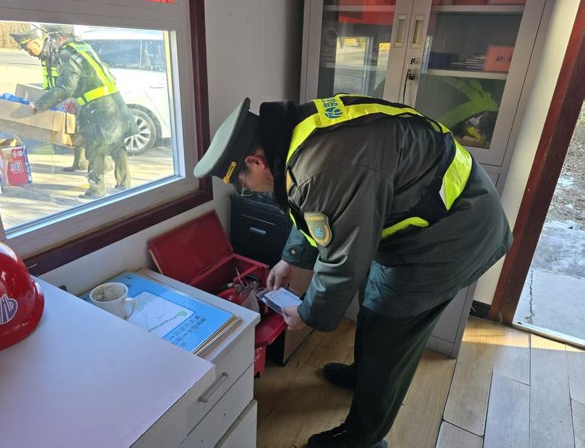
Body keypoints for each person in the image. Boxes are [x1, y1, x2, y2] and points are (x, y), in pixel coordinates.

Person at [194, 94, 513, 448]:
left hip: (453, 234)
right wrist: (291, 258)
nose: (248, 190)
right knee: (372, 301)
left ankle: (364, 437)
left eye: (243, 183)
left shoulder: (321, 167)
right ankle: (363, 374)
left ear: (255, 161)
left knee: (389, 331)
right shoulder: (297, 135)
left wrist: (308, 313)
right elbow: (317, 212)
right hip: (427, 217)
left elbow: (342, 260)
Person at [26, 31, 137, 198]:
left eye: (53, 40)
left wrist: (39, 104)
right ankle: (124, 185)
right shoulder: (84, 48)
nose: (53, 44)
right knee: (117, 145)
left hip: (99, 108)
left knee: (95, 148)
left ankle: (96, 190)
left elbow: (66, 87)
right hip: (115, 103)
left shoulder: (68, 54)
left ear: (60, 38)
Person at [10, 28, 88, 172]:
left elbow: (70, 80)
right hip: (62, 97)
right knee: (74, 130)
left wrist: (70, 99)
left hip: (74, 97)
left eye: (29, 49)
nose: (29, 53)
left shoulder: (57, 53)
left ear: (37, 43)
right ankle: (79, 162)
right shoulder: (46, 55)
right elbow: (51, 81)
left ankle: (93, 163)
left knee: (79, 129)